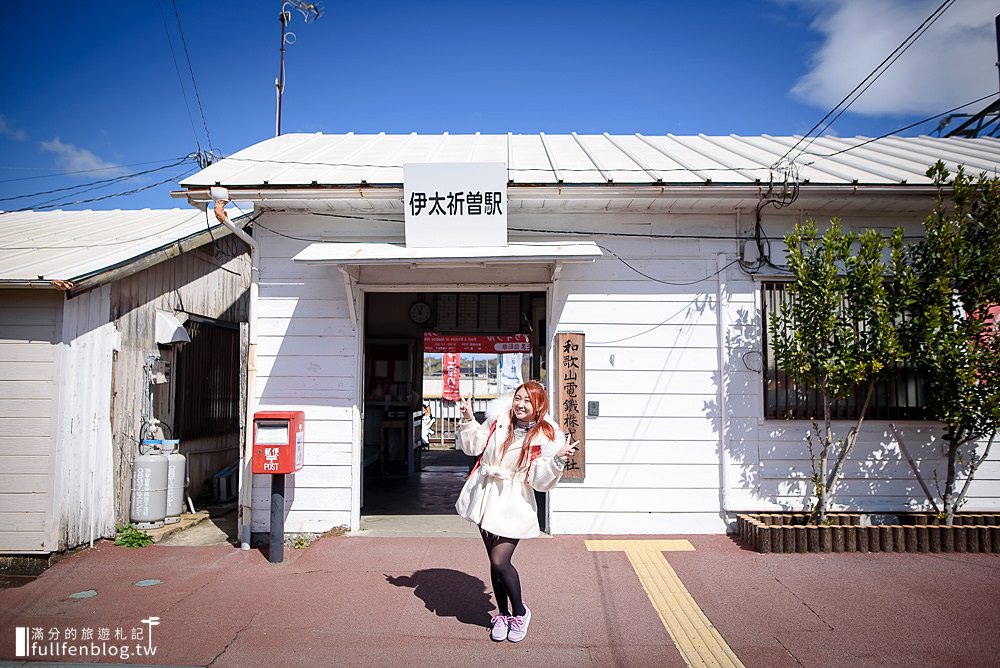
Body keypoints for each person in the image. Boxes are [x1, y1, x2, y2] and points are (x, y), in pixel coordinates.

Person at [454, 381, 577, 643]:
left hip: (514, 500)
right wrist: (468, 418)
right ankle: (502, 614)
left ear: (539, 406)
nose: (520, 404)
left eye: (527, 401)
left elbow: (540, 480)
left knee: (501, 560)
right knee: (494, 564)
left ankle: (520, 612)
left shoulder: (546, 436)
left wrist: (557, 460)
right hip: (486, 495)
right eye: (518, 398)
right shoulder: (499, 420)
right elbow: (474, 446)